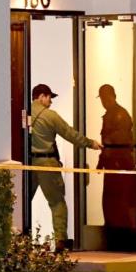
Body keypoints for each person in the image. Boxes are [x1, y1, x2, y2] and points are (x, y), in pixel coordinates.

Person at [30, 83, 102, 251]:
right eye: (49, 98)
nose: (51, 102)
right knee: (57, 203)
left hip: (29, 164)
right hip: (48, 164)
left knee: (22, 202)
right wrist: (91, 143)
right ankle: (61, 241)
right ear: (41, 96)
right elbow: (70, 134)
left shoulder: (24, 113)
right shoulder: (50, 116)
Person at [96, 84, 136, 251]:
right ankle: (114, 238)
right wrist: (102, 160)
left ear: (111, 96)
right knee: (110, 204)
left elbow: (117, 140)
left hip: (121, 165)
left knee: (121, 204)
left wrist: (107, 148)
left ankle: (124, 241)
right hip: (112, 165)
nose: (102, 101)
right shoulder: (111, 114)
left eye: (104, 98)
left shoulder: (120, 115)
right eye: (101, 98)